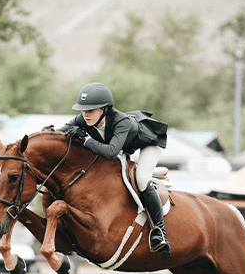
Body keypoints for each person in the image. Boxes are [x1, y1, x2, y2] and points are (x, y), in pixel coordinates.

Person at [48, 83, 171, 259]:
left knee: (142, 178)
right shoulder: (84, 119)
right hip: (123, 146)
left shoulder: (122, 122)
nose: (85, 114)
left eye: (90, 110)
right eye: (83, 110)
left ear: (105, 109)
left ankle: (160, 231)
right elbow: (60, 134)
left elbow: (111, 153)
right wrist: (48, 132)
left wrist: (84, 139)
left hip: (148, 143)